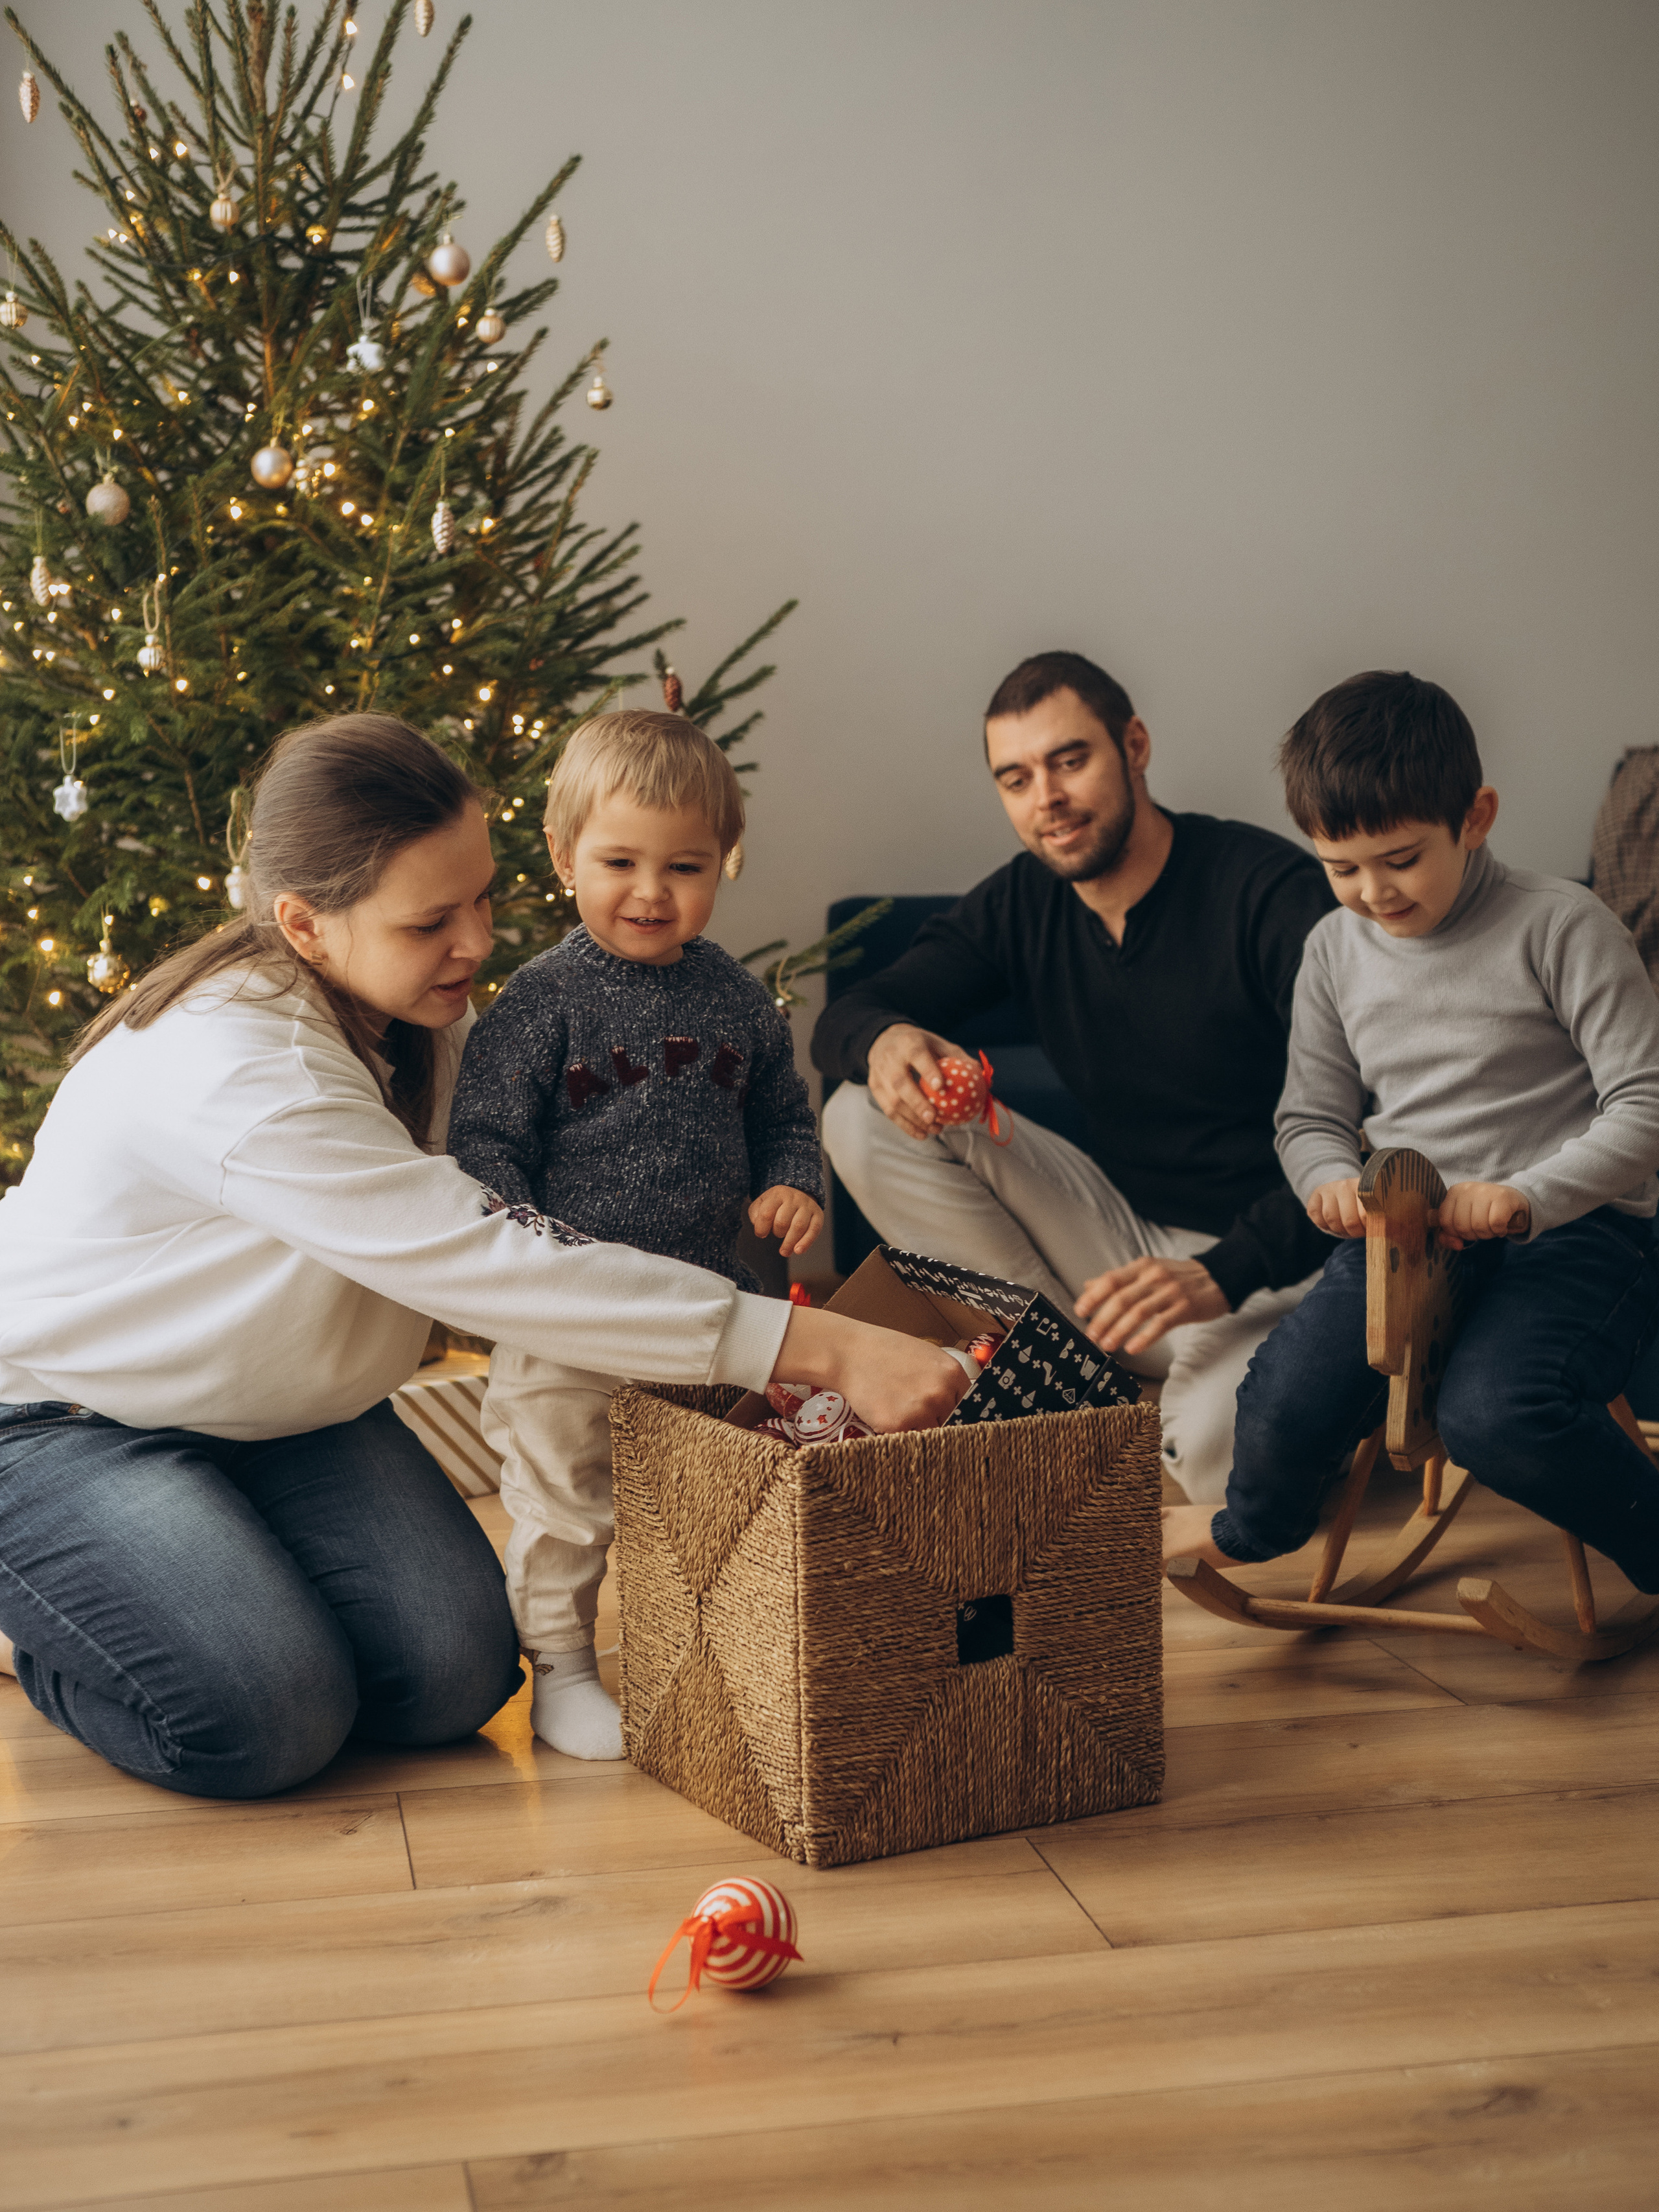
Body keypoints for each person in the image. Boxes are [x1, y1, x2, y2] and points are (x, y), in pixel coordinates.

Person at [0, 716, 964, 1800]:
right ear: (303, 924)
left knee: (454, 1677)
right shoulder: (248, 1076)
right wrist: (821, 1345)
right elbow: (494, 1255)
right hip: (68, 1419)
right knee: (271, 1718)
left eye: (483, 899)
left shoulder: (427, 1019)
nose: (476, 943)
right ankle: (50, 1622)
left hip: (282, 1423)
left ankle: (207, 1575)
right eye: (430, 921)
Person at [1162, 671, 1659, 1591]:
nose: (1373, 892)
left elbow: (1646, 1105)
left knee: (1494, 1413)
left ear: (1476, 817)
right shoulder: (1332, 951)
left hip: (1575, 1231)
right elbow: (1310, 1116)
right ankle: (1254, 1528)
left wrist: (1523, 1195)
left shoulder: (1561, 925)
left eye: (1399, 859)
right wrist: (1326, 1179)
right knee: (1281, 1398)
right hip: (1406, 1235)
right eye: (1341, 867)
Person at [815, 649, 1335, 1501]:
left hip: (1278, 1266)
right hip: (1121, 1249)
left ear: (1135, 746)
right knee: (858, 1113)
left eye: (1069, 761)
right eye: (1016, 779)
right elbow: (848, 1014)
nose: (1046, 798)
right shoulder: (1023, 902)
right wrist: (883, 1039)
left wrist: (1229, 1268)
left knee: (1216, 1465)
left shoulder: (1268, 894)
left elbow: (1372, 1133)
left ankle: (1198, 1398)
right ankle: (1060, 1379)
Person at [448, 710, 825, 1759]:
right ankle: (564, 1669)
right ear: (565, 856)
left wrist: (793, 1184)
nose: (652, 892)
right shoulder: (540, 1004)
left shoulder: (736, 999)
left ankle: (698, 1649)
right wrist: (532, 1265)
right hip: (564, 1320)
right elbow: (484, 1149)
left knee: (702, 1497)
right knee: (566, 1507)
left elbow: (786, 1119)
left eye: (684, 867)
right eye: (620, 862)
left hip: (703, 1310)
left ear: (723, 863)